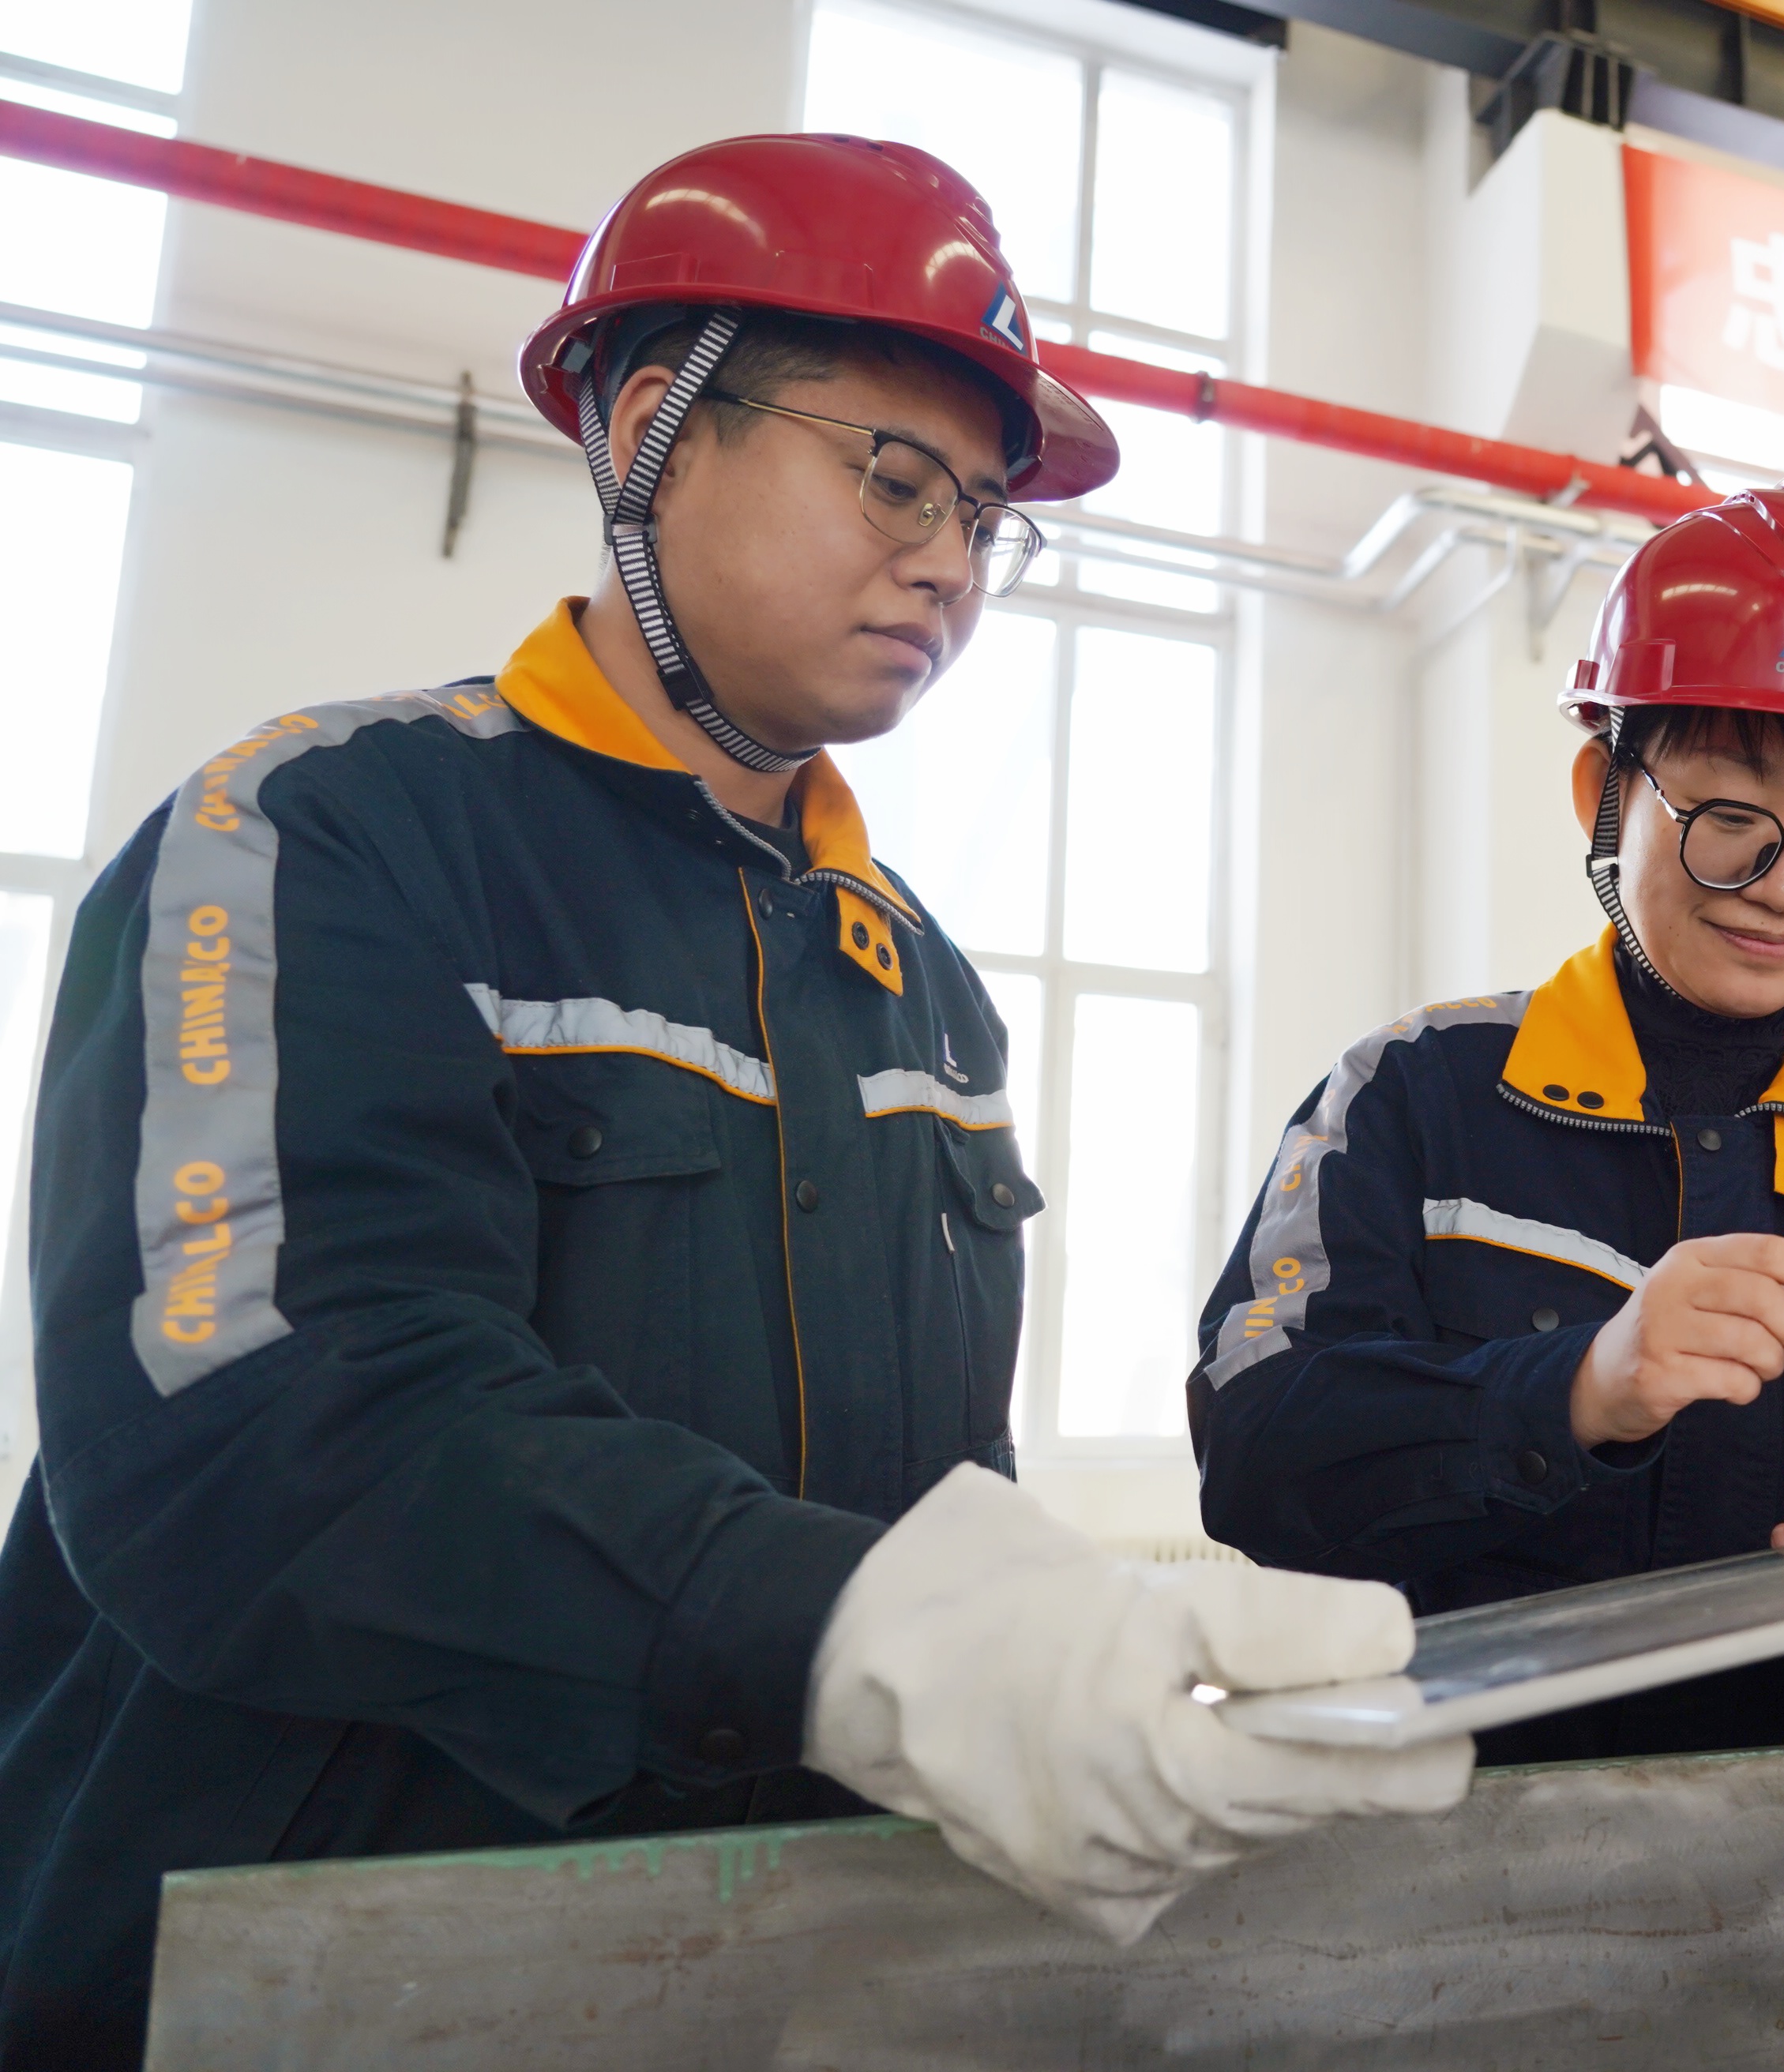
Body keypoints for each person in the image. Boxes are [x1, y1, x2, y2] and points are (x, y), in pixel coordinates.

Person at [0, 133, 1461, 2064]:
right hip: (285, 1984)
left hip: (738, 1989)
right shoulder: (320, 842)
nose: (949, 554)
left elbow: (931, 1491)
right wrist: (859, 1631)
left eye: (989, 512)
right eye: (894, 473)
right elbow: (271, 1434)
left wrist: (1054, 1656)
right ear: (644, 428)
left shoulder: (911, 978)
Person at [1189, 476, 1784, 1764]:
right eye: (1734, 825)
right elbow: (1259, 1449)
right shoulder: (1416, 1097)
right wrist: (1573, 1392)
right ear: (1602, 796)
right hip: (1454, 1872)